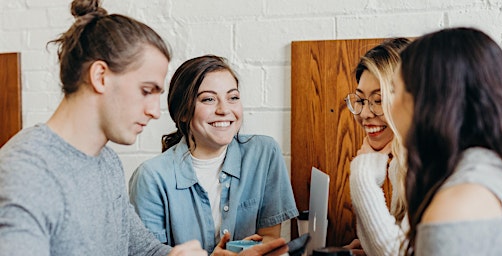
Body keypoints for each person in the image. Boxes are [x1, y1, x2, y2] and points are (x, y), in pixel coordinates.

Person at [0, 1, 288, 256]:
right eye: (146, 90)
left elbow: (143, 249)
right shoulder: (25, 173)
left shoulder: (106, 162)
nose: (154, 111)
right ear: (100, 76)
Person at [128, 55, 299, 254]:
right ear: (183, 112)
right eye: (208, 99)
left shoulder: (264, 153)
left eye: (233, 97)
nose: (224, 109)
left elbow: (270, 237)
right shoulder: (150, 177)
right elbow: (147, 252)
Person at [390, 27, 502, 255]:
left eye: (393, 90)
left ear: (426, 102)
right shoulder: (493, 169)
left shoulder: (457, 205)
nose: (390, 105)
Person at [343, 38, 410, 256]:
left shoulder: (433, 165)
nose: (364, 113)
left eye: (378, 100)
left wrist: (362, 177)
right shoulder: (401, 165)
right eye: (360, 100)